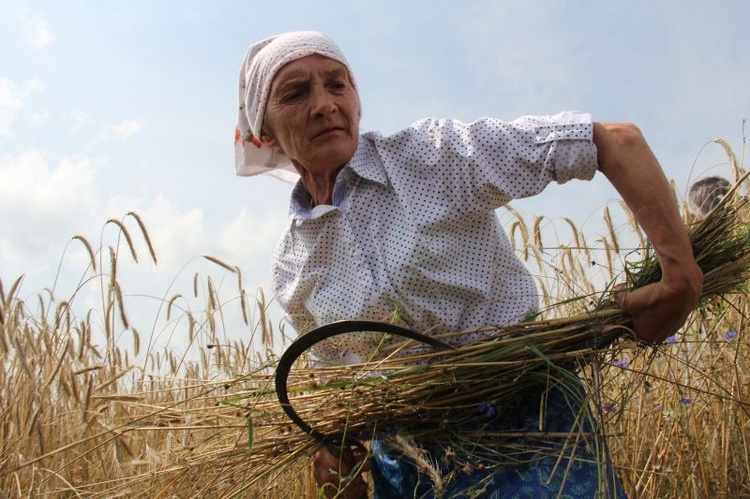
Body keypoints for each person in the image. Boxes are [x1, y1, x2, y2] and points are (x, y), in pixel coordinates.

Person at [234, 31, 703, 498]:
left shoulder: (430, 158)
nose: (324, 104)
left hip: (530, 438)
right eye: (296, 93)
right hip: (412, 471)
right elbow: (340, 395)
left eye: (338, 85)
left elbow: (613, 141)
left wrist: (680, 276)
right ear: (266, 133)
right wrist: (338, 461)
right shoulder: (292, 265)